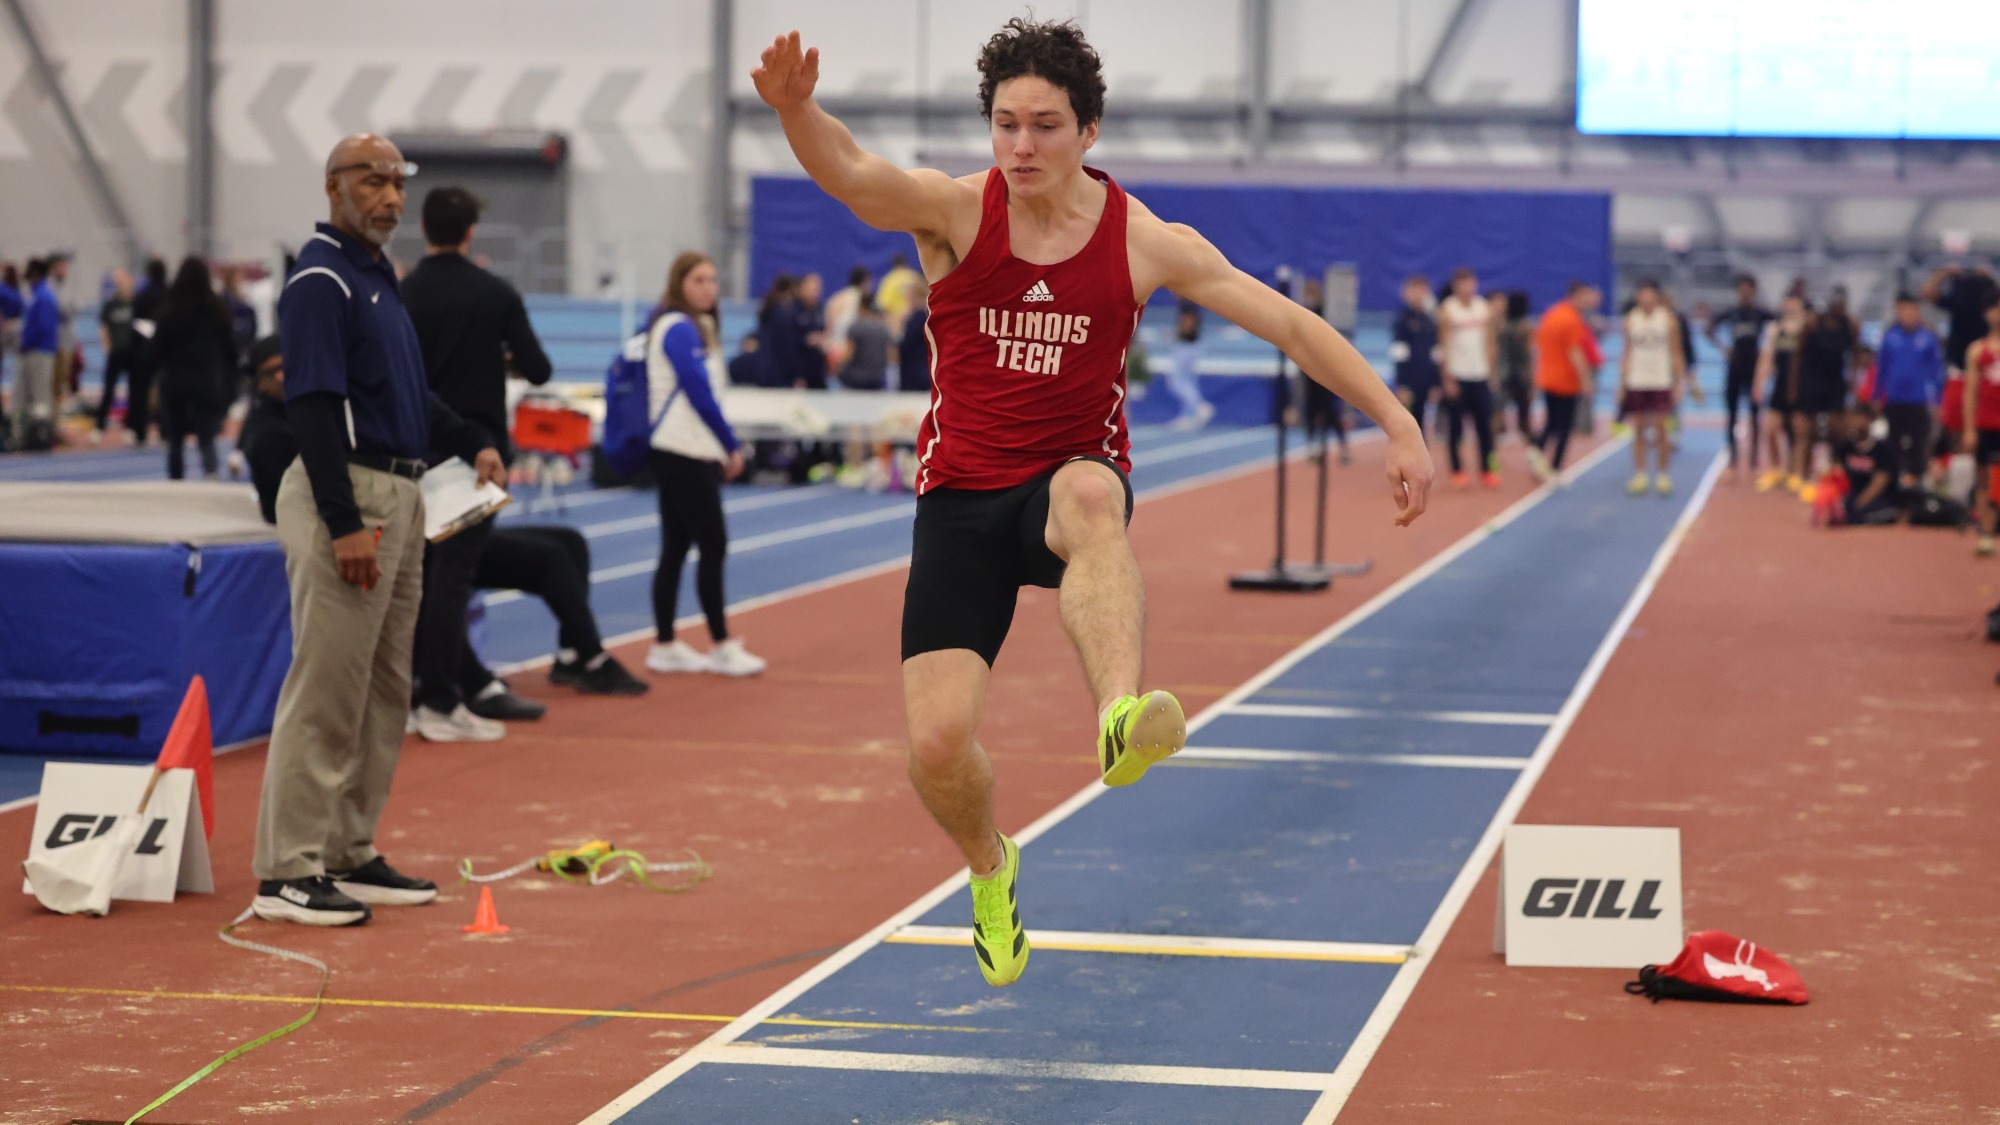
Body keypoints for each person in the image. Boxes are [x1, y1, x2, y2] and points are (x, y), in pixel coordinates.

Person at [752, 19, 1431, 987]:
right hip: (958, 498)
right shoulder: (952, 211)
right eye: (1003, 125)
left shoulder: (1143, 243)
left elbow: (1285, 322)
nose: (1020, 147)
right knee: (936, 748)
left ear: (1088, 131)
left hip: (1068, 480)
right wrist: (793, 109)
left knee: (1085, 493)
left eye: (1043, 126)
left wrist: (1395, 421)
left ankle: (1119, 714)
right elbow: (852, 173)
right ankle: (991, 866)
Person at [251, 133, 506, 927]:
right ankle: (286, 869)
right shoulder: (321, 279)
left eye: (398, 183)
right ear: (333, 186)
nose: (391, 197)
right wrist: (342, 522)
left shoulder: (376, 278)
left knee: (384, 688)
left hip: (403, 490)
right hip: (352, 495)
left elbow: (407, 393)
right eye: (373, 180)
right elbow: (315, 407)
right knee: (328, 686)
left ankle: (347, 849)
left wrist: (471, 438)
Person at [400, 185, 555, 736]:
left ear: (423, 229)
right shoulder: (495, 293)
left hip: (415, 449)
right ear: (470, 233)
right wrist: (497, 358)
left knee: (418, 578)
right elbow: (538, 368)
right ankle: (441, 701)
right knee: (451, 580)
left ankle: (425, 690)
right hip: (476, 453)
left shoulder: (405, 293)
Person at [641, 251, 766, 677]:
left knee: (676, 547)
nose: (708, 288)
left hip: (687, 448)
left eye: (713, 280)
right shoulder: (677, 327)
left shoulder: (699, 327)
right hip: (681, 449)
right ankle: (720, 644)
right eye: (698, 280)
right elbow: (698, 393)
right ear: (680, 284)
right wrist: (730, 445)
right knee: (713, 543)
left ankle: (664, 644)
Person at [469, 525, 649, 700]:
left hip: (465, 532)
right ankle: (594, 658)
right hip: (447, 545)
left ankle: (569, 655)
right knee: (551, 556)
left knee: (572, 541)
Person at [147, 257, 237, 480]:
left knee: (175, 439)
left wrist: (153, 377)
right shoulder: (218, 311)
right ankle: (211, 475)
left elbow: (154, 351)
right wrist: (229, 387)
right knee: (207, 437)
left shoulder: (169, 311)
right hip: (206, 382)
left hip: (175, 382)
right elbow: (230, 353)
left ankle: (176, 480)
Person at [1619, 279, 1687, 496]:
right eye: (1643, 297)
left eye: (1651, 297)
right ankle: (1640, 474)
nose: (1647, 301)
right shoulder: (1631, 320)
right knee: (1638, 428)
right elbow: (1627, 352)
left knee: (1661, 429)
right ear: (1638, 298)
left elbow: (1676, 352)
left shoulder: (1667, 320)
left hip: (1660, 380)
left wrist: (1678, 382)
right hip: (1637, 380)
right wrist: (1621, 384)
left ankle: (1663, 474)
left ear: (1657, 298)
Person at [1873, 294, 1945, 491]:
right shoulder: (1890, 337)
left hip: (1918, 401)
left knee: (1918, 444)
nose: (1907, 315)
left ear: (1918, 312)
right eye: (1903, 311)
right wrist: (1877, 396)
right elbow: (1882, 369)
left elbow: (1936, 372)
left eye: (1911, 311)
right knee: (1893, 444)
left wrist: (1938, 400)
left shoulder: (1928, 338)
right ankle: (1893, 484)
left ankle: (1916, 485)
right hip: (1895, 400)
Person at [1527, 280, 1598, 478]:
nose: (1588, 300)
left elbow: (1539, 344)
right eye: (1585, 295)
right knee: (1565, 426)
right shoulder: (1572, 319)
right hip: (1566, 380)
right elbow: (1575, 351)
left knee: (1552, 421)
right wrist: (1586, 379)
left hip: (1548, 377)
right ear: (1574, 295)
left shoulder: (1552, 314)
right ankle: (1555, 467)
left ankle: (1538, 450)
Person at [1706, 275, 1773, 479]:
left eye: (1748, 289)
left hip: (1753, 369)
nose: (1745, 293)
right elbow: (1709, 328)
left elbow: (1778, 326)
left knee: (1754, 413)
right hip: (1734, 367)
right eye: (1741, 289)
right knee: (1732, 412)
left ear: (1753, 291)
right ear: (1737, 291)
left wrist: (1767, 352)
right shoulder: (1732, 313)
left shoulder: (1760, 314)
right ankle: (1733, 453)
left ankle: (1753, 456)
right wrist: (1724, 349)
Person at [1791, 293, 1857, 495]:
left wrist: (1852, 381)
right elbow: (1797, 355)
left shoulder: (1849, 326)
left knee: (1836, 428)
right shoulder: (1813, 324)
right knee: (1806, 431)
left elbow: (1854, 354)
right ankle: (1802, 475)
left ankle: (1836, 470)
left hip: (1835, 383)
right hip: (1811, 382)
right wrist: (1793, 387)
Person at [1438, 266, 1498, 488]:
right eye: (1462, 283)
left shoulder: (1484, 309)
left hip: (1480, 375)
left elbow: (1491, 342)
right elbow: (1442, 346)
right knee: (1456, 428)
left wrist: (1492, 374)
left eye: (1470, 282)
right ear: (1456, 286)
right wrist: (1447, 379)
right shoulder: (1448, 310)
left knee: (1485, 426)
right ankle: (1457, 471)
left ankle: (1487, 470)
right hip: (1458, 376)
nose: (1467, 287)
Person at [1753, 295, 1808, 492]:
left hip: (1801, 387)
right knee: (1769, 428)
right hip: (1780, 386)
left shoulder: (1807, 329)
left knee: (1798, 430)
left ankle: (1796, 473)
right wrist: (1759, 383)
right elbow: (1766, 358)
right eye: (1787, 303)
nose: (1790, 307)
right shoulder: (1775, 329)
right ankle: (1776, 469)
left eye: (1794, 303)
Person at [238, 335, 292, 523]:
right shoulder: (267, 431)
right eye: (270, 373)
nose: (280, 378)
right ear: (259, 383)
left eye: (283, 367)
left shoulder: (310, 409)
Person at [1963, 295, 2000, 557]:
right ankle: (1985, 533)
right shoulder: (1978, 350)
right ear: (1988, 314)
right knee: (1983, 481)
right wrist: (1968, 429)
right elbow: (1970, 392)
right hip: (1986, 425)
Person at [14, 258, 59, 449]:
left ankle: (40, 435)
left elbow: (44, 327)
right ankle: (22, 436)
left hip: (40, 351)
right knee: (23, 395)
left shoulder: (44, 296)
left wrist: (27, 342)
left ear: (35, 272)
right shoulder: (31, 295)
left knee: (40, 395)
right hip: (30, 350)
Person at [1829, 404, 1899, 526]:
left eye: (1861, 419)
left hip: (1876, 499)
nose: (1857, 423)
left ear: (1870, 420)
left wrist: (1858, 505)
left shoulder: (1882, 448)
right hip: (1852, 497)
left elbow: (1880, 481)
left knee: (1862, 517)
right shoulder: (1846, 447)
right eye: (1853, 419)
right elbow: (1837, 475)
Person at [1390, 275, 1440, 439]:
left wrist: (1435, 382)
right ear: (1406, 293)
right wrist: (1402, 383)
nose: (1419, 294)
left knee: (1422, 419)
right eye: (1415, 290)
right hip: (1409, 380)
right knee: (1408, 423)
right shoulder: (1403, 319)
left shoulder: (1430, 319)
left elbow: (1435, 353)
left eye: (1422, 290)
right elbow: (1399, 354)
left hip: (1425, 378)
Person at [125, 257, 169, 446]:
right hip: (165, 348)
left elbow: (135, 323)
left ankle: (140, 430)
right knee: (166, 390)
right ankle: (166, 430)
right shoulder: (170, 295)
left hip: (144, 349)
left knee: (141, 390)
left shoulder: (142, 296)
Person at [91, 268, 138, 444]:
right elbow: (104, 327)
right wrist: (107, 347)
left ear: (130, 280)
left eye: (123, 280)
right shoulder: (111, 304)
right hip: (116, 353)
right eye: (117, 280)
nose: (121, 283)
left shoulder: (136, 303)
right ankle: (99, 427)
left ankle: (131, 428)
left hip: (133, 354)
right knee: (108, 391)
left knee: (134, 392)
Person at [1163, 298, 1215, 430]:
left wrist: (1175, 334)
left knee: (1178, 381)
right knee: (1189, 381)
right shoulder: (1189, 303)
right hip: (1189, 346)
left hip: (1186, 347)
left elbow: (1188, 324)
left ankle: (1200, 406)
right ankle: (1188, 414)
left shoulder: (1186, 304)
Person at [1495, 290, 1534, 441]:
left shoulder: (1502, 326)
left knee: (1498, 414)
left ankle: (1492, 453)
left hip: (1505, 374)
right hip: (1518, 375)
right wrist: (1531, 379)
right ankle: (1533, 450)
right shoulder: (1524, 327)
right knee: (1524, 418)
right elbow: (1528, 356)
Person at [754, 273, 800, 388]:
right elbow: (784, 340)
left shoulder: (771, 306)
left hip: (769, 360)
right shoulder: (779, 311)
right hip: (776, 362)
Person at [839, 296, 891, 390]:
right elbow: (890, 354)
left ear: (861, 306)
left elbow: (849, 353)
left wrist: (838, 368)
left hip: (855, 379)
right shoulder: (883, 328)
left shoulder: (856, 327)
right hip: (876, 378)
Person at [824, 264, 870, 365]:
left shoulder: (836, 298)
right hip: (849, 351)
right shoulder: (860, 299)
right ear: (865, 281)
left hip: (833, 348)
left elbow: (828, 325)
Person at [794, 271, 829, 389]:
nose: (816, 293)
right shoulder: (793, 310)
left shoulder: (820, 310)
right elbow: (786, 340)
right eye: (812, 289)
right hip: (799, 367)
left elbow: (824, 331)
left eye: (818, 289)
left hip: (817, 368)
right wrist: (806, 340)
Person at [898, 277, 932, 392]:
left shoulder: (917, 316)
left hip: (915, 369)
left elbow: (906, 343)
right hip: (922, 366)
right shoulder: (925, 314)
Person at [877, 253, 924, 323]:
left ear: (893, 265)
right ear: (905, 264)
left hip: (896, 320)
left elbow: (883, 306)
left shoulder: (888, 280)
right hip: (916, 318)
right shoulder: (914, 276)